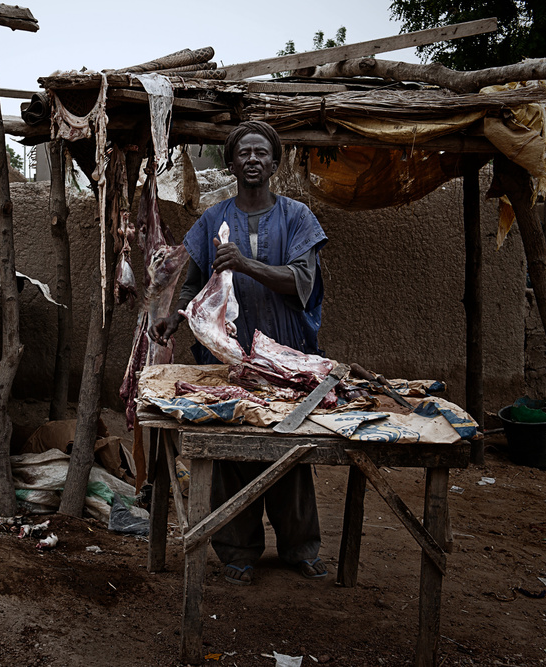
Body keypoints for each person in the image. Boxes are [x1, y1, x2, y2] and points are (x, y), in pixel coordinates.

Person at [151, 121, 329, 586]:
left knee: (288, 449)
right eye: (243, 153)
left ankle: (299, 547)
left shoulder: (297, 217)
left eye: (260, 153)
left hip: (286, 356)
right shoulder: (212, 219)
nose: (252, 159)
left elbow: (301, 283)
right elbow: (194, 288)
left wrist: (245, 263)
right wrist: (176, 319)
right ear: (231, 164)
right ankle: (237, 551)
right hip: (226, 360)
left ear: (274, 162)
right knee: (229, 450)